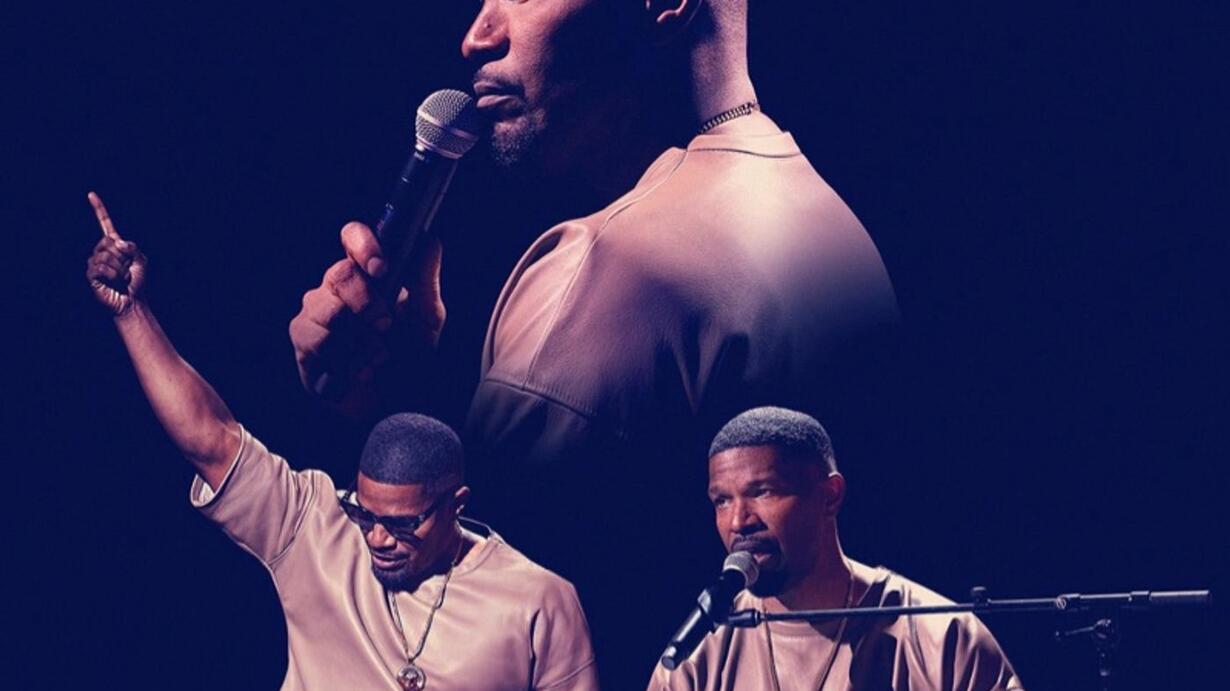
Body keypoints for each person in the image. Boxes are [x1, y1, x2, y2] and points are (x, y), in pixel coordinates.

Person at [289, 1, 898, 685]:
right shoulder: (838, 233)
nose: (476, 37)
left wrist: (368, 416)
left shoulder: (608, 274)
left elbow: (445, 638)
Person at [84, 191, 600, 691]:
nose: (377, 538)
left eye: (402, 524)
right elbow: (210, 439)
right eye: (365, 514)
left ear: (456, 505)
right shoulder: (315, 529)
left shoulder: (538, 601)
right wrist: (131, 314)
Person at [647, 406, 1024, 691]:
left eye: (762, 492)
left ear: (830, 496)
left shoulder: (943, 639)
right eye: (722, 501)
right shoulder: (697, 657)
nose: (738, 521)